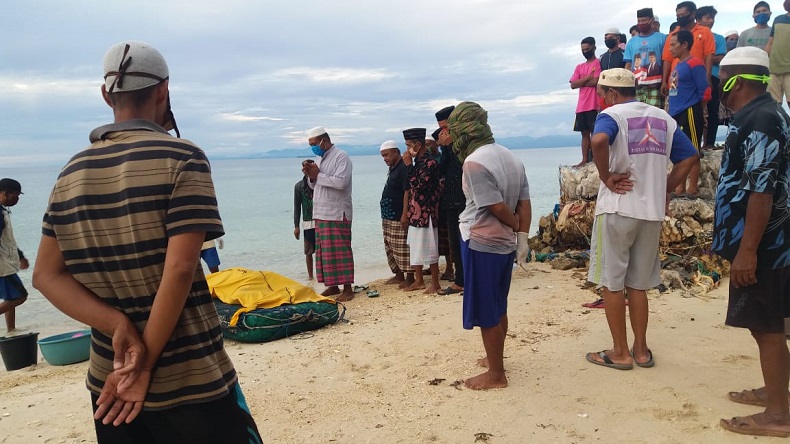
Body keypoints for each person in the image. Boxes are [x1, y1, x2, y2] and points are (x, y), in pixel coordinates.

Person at [31, 41, 261, 443]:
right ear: (164, 90)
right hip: (191, 377)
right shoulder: (183, 157)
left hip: (110, 382)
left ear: (106, 95)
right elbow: (179, 269)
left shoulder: (71, 171)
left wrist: (116, 323)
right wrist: (146, 364)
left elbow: (46, 276)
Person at [584, 68, 698, 371]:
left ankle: (620, 352)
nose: (600, 100)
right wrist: (666, 188)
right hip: (650, 213)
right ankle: (642, 349)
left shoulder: (613, 115)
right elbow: (689, 157)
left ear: (610, 93)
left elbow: (598, 142)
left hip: (618, 208)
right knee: (638, 284)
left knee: (612, 283)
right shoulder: (663, 118)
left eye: (601, 94)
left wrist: (606, 177)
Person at [711, 47, 790, 438]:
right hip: (769, 243)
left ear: (736, 82)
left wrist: (746, 252)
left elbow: (762, 190)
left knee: (767, 327)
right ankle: (776, 393)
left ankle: (778, 414)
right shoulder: (766, 114)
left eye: (720, 82)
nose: (717, 92)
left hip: (766, 246)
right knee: (768, 323)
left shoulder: (760, 119)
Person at [444, 101, 531, 390]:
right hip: (505, 245)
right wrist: (522, 237)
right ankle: (495, 358)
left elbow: (495, 206)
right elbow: (524, 202)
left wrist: (515, 225)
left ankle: (496, 374)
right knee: (498, 304)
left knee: (486, 311)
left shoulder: (474, 163)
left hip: (482, 241)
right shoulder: (510, 157)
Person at [303, 126, 355, 301]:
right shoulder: (319, 158)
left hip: (337, 211)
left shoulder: (342, 157)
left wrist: (318, 174)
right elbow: (314, 185)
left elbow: (341, 183)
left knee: (341, 251)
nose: (313, 147)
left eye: (314, 144)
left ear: (324, 140)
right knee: (325, 253)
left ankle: (347, 288)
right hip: (321, 211)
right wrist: (311, 176)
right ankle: (333, 286)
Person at [668, 30, 711, 198]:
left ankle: (692, 187)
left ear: (684, 44)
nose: (670, 48)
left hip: (690, 110)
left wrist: (699, 109)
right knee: (679, 150)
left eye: (673, 45)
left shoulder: (695, 63)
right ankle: (680, 187)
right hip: (676, 112)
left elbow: (705, 90)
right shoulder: (678, 65)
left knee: (692, 149)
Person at [402, 128, 441, 294]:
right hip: (416, 212)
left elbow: (418, 185)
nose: (407, 149)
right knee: (416, 245)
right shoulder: (418, 162)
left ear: (418, 145)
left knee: (431, 246)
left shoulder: (430, 163)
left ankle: (435, 283)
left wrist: (408, 165)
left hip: (427, 211)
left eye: (409, 145)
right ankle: (419, 280)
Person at [436, 106, 465, 296]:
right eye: (441, 128)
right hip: (451, 199)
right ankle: (461, 280)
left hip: (464, 198)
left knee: (466, 241)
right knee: (455, 242)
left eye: (446, 127)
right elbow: (441, 169)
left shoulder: (464, 143)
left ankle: (464, 280)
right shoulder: (448, 146)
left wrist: (449, 146)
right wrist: (445, 147)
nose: (443, 132)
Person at [661, 1, 716, 97]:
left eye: (683, 15)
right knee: (673, 107)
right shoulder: (672, 35)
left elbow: (709, 56)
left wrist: (707, 78)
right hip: (675, 81)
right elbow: (667, 59)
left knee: (696, 108)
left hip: (697, 79)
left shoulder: (705, 32)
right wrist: (664, 81)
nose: (680, 17)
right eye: (678, 15)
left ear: (692, 14)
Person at [379, 140, 413, 288]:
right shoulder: (394, 168)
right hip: (388, 215)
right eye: (383, 156)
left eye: (386, 155)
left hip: (398, 214)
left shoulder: (403, 168)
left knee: (402, 247)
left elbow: (407, 191)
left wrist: (404, 214)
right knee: (390, 246)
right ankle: (398, 275)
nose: (385, 158)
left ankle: (410, 277)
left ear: (395, 152)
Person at [695, 5, 727, 148]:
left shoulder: (719, 38)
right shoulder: (692, 36)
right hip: (695, 77)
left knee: (712, 111)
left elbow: (720, 57)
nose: (711, 21)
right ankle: (695, 142)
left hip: (713, 77)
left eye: (712, 18)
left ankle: (709, 143)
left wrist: (703, 56)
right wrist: (707, 56)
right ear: (698, 20)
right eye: (708, 18)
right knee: (696, 110)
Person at [0, 178, 29, 333]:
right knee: (20, 296)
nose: (17, 200)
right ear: (5, 193)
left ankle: (11, 330)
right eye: (15, 196)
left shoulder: (2, 210)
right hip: (3, 266)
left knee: (10, 298)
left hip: (7, 262)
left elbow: (7, 239)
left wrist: (20, 256)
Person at [625, 8, 667, 109]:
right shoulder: (631, 42)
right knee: (638, 118)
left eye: (644, 20)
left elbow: (666, 61)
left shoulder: (662, 38)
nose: (641, 23)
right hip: (637, 87)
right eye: (639, 21)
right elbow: (628, 64)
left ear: (652, 20)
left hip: (656, 85)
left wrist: (665, 81)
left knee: (654, 117)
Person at [570, 36, 601, 167]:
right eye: (583, 50)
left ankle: (596, 159)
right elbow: (573, 84)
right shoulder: (579, 67)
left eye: (587, 49)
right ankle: (584, 159)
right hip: (582, 106)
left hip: (594, 104)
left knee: (595, 133)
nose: (585, 52)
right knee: (584, 134)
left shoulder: (598, 63)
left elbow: (596, 81)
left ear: (594, 47)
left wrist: (582, 81)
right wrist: (588, 78)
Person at [765, 0, 790, 108]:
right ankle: (779, 124)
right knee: (774, 103)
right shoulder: (778, 19)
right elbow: (770, 42)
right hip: (773, 68)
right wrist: (764, 61)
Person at [294, 163, 316, 281]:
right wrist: (296, 226)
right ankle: (311, 277)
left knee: (322, 251)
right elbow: (297, 207)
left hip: (320, 220)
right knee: (308, 251)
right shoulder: (299, 186)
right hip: (307, 223)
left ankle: (323, 276)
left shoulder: (319, 183)